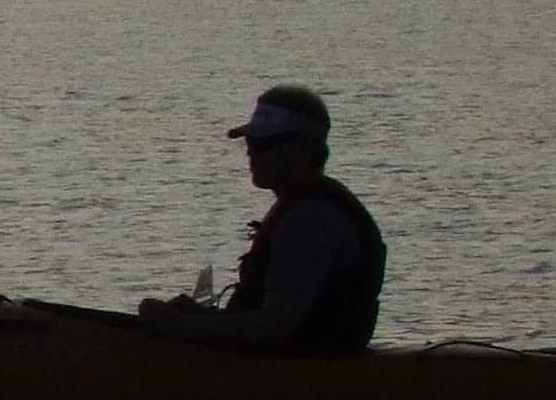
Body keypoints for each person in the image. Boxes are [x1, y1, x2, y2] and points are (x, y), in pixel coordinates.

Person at [137, 85, 385, 353]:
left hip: (305, 373)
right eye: (250, 141)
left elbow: (275, 328)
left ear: (302, 149)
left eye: (265, 143)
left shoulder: (309, 220)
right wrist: (199, 317)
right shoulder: (304, 207)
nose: (251, 152)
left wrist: (176, 325)